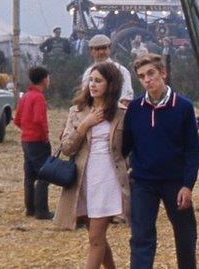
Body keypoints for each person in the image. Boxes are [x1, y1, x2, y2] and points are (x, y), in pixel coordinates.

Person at [124, 54, 199, 269]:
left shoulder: (183, 106)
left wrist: (188, 185)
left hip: (175, 182)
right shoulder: (135, 108)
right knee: (141, 237)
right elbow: (126, 145)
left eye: (151, 73)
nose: (147, 79)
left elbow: (193, 150)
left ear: (163, 73)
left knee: (185, 235)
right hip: (143, 183)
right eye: (141, 76)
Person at [55, 62, 130, 269]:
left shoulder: (121, 113)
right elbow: (67, 148)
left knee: (96, 238)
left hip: (108, 179)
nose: (93, 85)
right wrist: (86, 124)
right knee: (96, 237)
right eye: (91, 80)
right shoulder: (77, 111)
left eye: (99, 81)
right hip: (84, 179)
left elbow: (129, 147)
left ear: (111, 84)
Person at [13, 65, 53, 220]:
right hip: (38, 141)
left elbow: (17, 120)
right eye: (48, 78)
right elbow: (39, 120)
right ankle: (42, 210)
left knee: (29, 176)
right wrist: (45, 137)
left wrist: (26, 130)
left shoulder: (26, 96)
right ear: (44, 79)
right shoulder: (38, 97)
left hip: (26, 141)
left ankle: (30, 208)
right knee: (44, 174)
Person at [81, 35, 135, 106]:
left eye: (104, 48)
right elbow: (85, 96)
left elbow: (126, 98)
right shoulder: (88, 73)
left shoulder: (121, 70)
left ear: (109, 49)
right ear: (91, 51)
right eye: (97, 49)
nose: (101, 52)